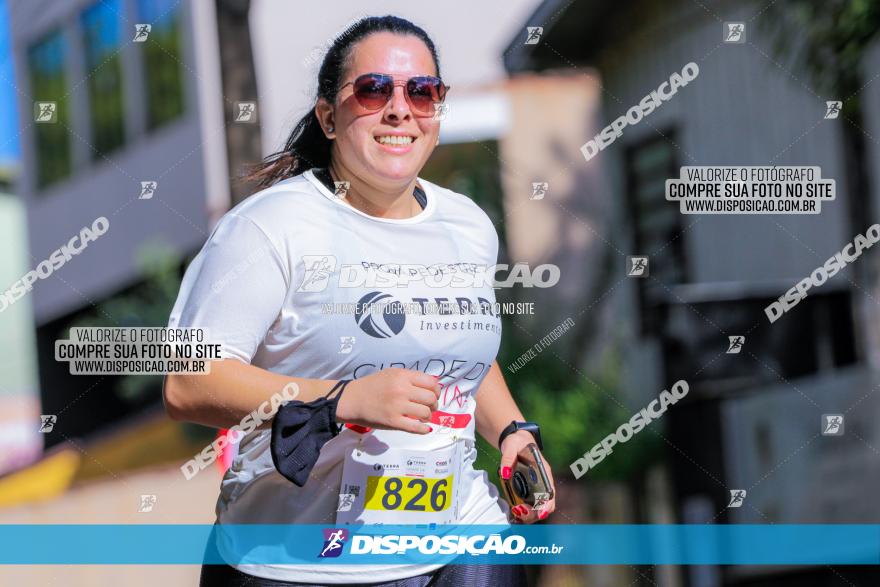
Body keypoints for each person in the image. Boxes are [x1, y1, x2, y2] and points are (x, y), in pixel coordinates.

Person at [163, 14, 556, 587]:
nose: (401, 109)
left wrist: (512, 430)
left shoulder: (466, 224)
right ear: (328, 115)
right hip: (296, 562)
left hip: (463, 544)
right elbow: (186, 384)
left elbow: (461, 349)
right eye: (374, 90)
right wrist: (341, 400)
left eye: (422, 92)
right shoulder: (269, 228)